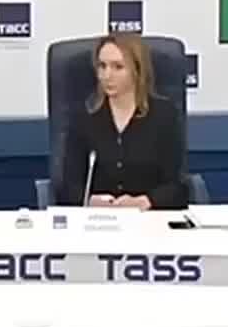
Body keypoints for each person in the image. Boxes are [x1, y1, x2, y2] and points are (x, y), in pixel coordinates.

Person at [57, 34, 187, 210]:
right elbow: (68, 187)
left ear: (137, 70)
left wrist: (146, 201)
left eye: (118, 67)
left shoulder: (164, 116)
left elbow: (176, 187)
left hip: (148, 218)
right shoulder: (84, 117)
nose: (107, 75)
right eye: (102, 66)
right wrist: (89, 201)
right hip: (98, 219)